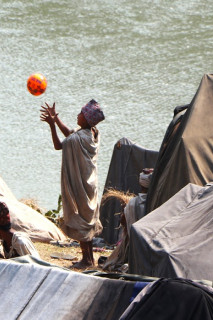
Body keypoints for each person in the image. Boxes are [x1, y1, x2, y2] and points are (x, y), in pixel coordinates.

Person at [41, 99, 105, 269]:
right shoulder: (92, 134)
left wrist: (51, 125)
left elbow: (59, 145)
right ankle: (89, 258)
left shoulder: (77, 138)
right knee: (88, 218)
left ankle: (87, 259)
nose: (78, 115)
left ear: (86, 119)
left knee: (82, 219)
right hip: (90, 182)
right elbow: (71, 133)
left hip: (81, 185)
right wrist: (56, 119)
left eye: (81, 114)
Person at [102, 168, 153, 272]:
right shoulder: (156, 202)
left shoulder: (133, 203)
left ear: (140, 184)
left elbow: (123, 221)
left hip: (133, 247)